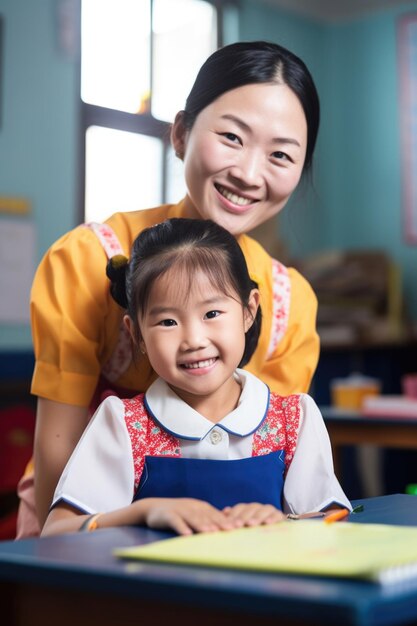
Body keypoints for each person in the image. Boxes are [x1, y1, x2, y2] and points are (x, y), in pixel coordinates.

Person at [18, 40, 322, 538]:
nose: (248, 173)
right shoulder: (85, 259)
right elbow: (59, 474)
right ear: (181, 133)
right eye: (231, 137)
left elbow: (282, 468)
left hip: (226, 543)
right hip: (86, 532)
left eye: (281, 155)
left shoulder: (292, 303)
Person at [42, 219, 350, 537]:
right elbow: (56, 532)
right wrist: (144, 511)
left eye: (212, 314)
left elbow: (335, 524)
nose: (193, 340)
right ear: (137, 335)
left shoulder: (294, 420)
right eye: (168, 321)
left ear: (248, 310)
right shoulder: (122, 424)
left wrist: (282, 521)